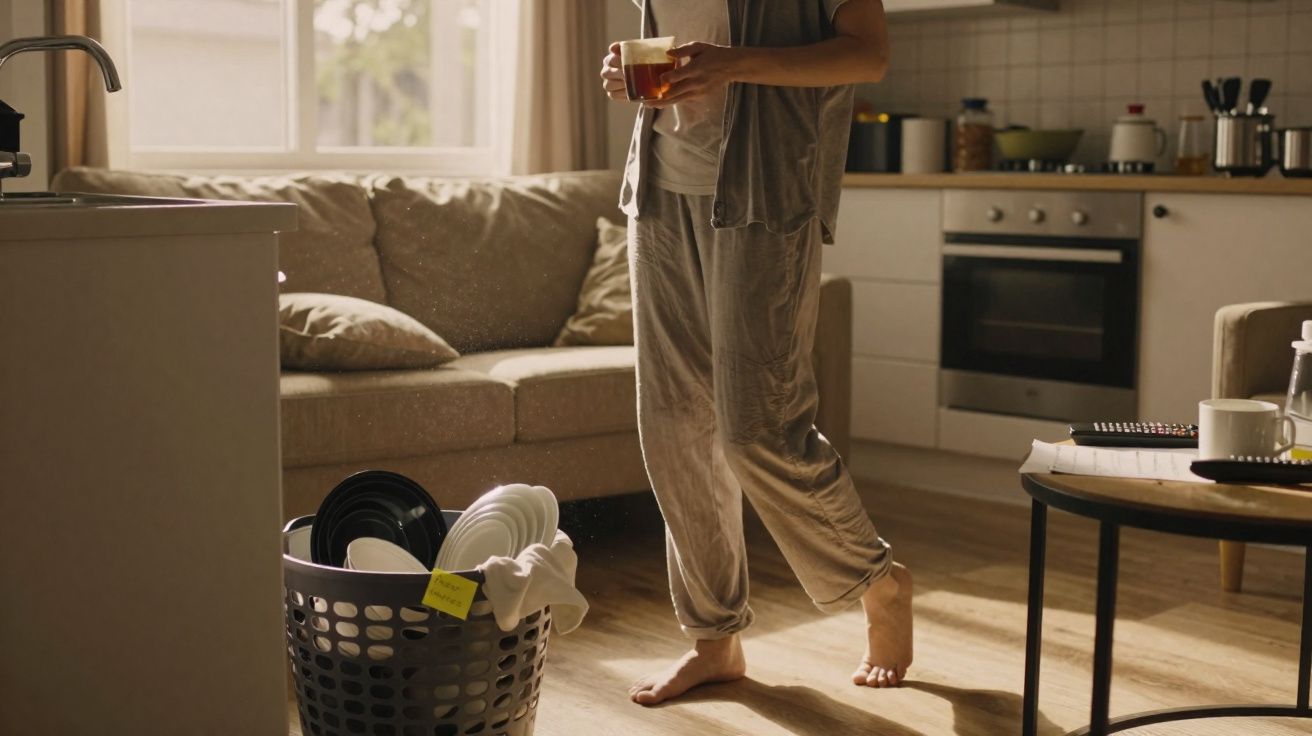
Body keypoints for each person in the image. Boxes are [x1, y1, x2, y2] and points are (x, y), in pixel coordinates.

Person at [599, 0, 911, 707]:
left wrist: (733, 65)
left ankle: (879, 583)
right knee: (674, 429)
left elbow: (868, 55)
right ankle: (714, 641)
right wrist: (626, 72)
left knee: (758, 429)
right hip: (658, 194)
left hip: (767, 191)